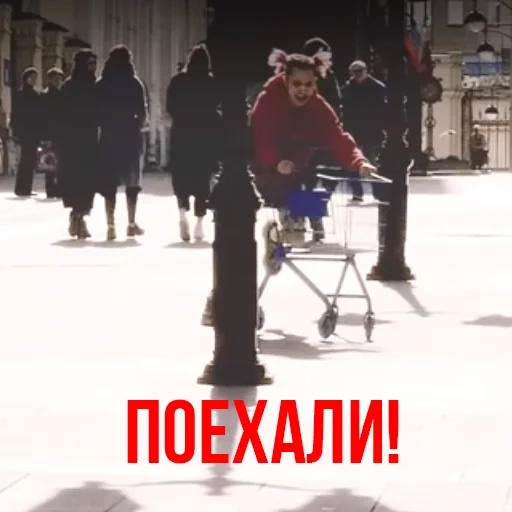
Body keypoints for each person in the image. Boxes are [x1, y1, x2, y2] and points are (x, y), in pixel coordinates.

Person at [200, 49, 376, 326]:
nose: (303, 91)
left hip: (295, 173)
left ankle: (287, 234)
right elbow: (262, 134)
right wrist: (274, 160)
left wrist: (359, 161)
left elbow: (337, 134)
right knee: (247, 232)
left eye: (308, 85)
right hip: (260, 173)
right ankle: (279, 238)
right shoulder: (268, 101)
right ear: (286, 80)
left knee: (311, 202)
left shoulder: (317, 105)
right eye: (297, 84)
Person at [166, 43, 221, 242]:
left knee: (181, 178)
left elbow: (170, 107)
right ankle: (199, 224)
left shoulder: (178, 81)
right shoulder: (211, 82)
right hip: (205, 139)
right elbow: (217, 106)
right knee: (202, 182)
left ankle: (182, 214)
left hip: (182, 136)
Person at [96, 45, 148, 241]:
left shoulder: (101, 83)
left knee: (109, 183)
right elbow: (143, 115)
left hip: (109, 137)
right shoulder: (135, 83)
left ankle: (110, 225)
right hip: (130, 137)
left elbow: (95, 113)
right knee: (132, 183)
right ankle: (131, 223)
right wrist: (137, 123)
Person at [59, 49, 99, 239]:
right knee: (75, 179)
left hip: (89, 140)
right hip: (72, 141)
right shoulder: (69, 86)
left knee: (88, 180)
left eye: (94, 64)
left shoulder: (95, 85)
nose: (92, 67)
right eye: (89, 64)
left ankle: (79, 217)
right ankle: (77, 216)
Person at [340, 60, 387, 201]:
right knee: (351, 162)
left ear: (366, 71)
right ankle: (357, 192)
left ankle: (377, 193)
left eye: (360, 71)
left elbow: (382, 110)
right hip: (353, 130)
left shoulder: (377, 87)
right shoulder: (347, 88)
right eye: (355, 72)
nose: (357, 75)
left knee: (372, 163)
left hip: (371, 130)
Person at [11, 67, 42, 197]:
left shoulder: (34, 94)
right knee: (25, 161)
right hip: (25, 132)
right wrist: (16, 131)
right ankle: (21, 188)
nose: (34, 80)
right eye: (32, 77)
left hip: (32, 132)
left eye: (35, 78)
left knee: (30, 161)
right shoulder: (22, 94)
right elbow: (16, 114)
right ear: (26, 78)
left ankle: (26, 188)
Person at [40, 67, 64, 198]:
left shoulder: (62, 94)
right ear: (49, 79)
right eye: (55, 79)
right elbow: (42, 118)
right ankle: (50, 190)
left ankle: (59, 188)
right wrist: (44, 136)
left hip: (61, 133)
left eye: (60, 79)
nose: (58, 81)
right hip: (50, 133)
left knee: (61, 162)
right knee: (49, 162)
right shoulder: (44, 95)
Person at [303, 37, 342, 115]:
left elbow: (336, 101)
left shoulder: (330, 75)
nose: (329, 61)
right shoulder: (302, 76)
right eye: (324, 56)